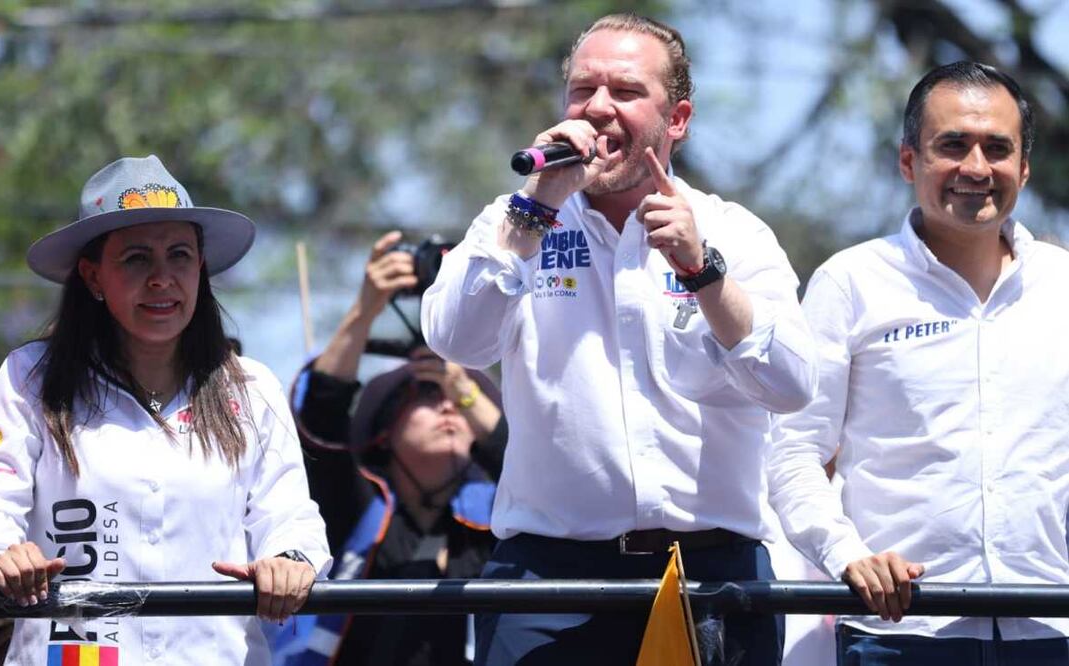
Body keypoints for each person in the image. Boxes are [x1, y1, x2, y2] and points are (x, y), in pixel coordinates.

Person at [421, 13, 817, 666]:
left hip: (709, 572)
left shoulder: (733, 232)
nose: (597, 108)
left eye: (625, 92)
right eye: (582, 90)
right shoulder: (513, 216)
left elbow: (791, 385)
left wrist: (701, 270)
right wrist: (534, 209)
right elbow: (457, 341)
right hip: (547, 576)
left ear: (678, 120)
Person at [768, 61, 1069, 664]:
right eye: (952, 145)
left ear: (1025, 168)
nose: (976, 169)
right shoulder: (850, 282)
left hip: (1054, 626)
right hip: (900, 635)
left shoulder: (1062, 286)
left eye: (997, 148)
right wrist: (847, 555)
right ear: (909, 162)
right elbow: (794, 451)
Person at [0, 155, 332, 665]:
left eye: (179, 255)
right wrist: (0, 553)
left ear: (201, 268)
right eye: (136, 259)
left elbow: (289, 513)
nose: (162, 278)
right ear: (93, 275)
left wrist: (289, 561)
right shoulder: (29, 378)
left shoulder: (252, 386)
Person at [273, 231, 506, 665]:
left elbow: (527, 465)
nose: (450, 406)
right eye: (428, 395)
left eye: (459, 399)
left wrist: (466, 389)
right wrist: (365, 310)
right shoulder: (354, 509)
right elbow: (321, 417)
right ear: (384, 431)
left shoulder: (502, 519)